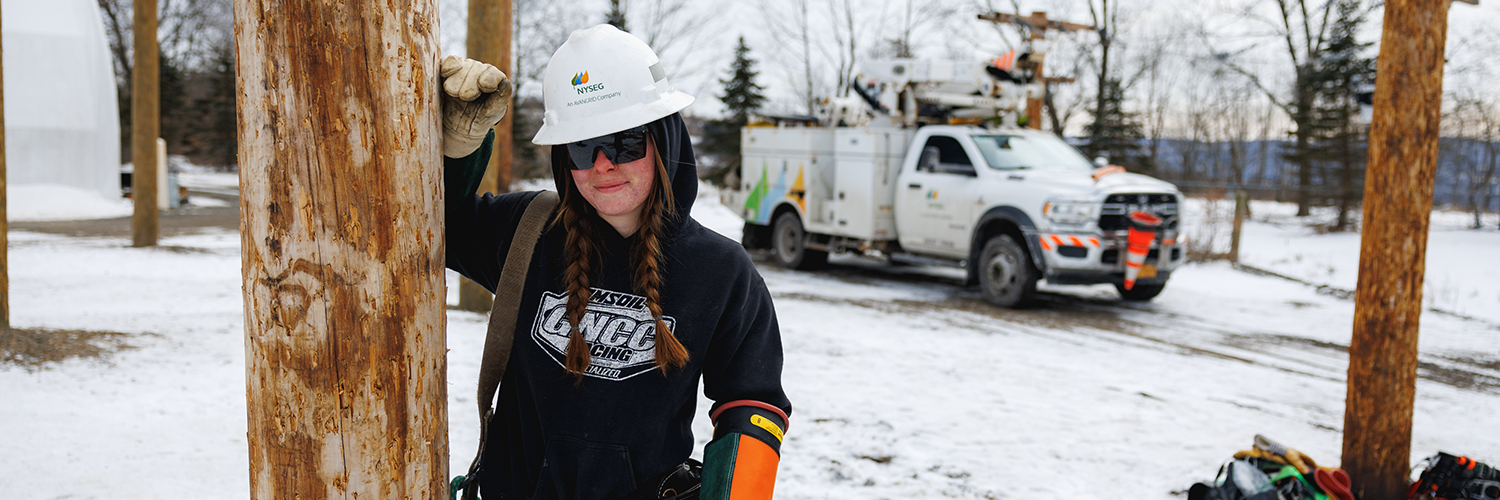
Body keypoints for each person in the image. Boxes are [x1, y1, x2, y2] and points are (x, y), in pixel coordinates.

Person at [439, 24, 792, 500]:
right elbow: (431, 225)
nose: (602, 163)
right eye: (583, 146)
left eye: (625, 141)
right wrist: (460, 150)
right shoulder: (526, 233)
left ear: (663, 138)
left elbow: (752, 406)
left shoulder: (722, 271)